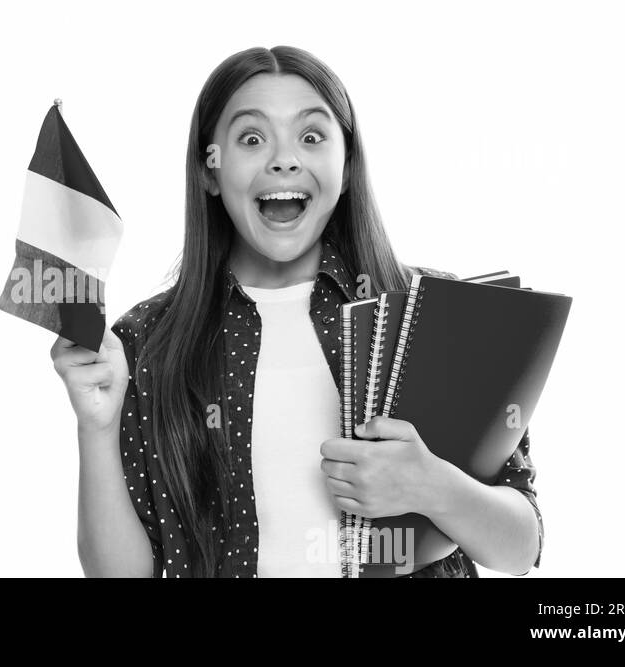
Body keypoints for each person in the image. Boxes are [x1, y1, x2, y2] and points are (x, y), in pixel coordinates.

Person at [51, 45, 543, 578]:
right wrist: (96, 429)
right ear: (210, 170)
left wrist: (433, 486)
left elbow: (521, 548)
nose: (284, 159)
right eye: (252, 138)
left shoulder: (434, 313)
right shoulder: (146, 343)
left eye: (311, 137)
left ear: (347, 165)